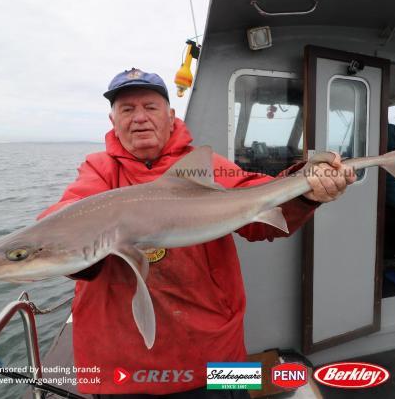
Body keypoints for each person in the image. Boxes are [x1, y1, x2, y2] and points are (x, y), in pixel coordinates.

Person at [38, 68, 356, 398]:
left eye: (150, 107)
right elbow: (64, 216)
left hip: (219, 350)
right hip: (125, 365)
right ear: (112, 119)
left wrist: (304, 192)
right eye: (127, 109)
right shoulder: (99, 170)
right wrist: (64, 253)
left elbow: (257, 207)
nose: (139, 118)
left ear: (170, 114)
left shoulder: (203, 165)